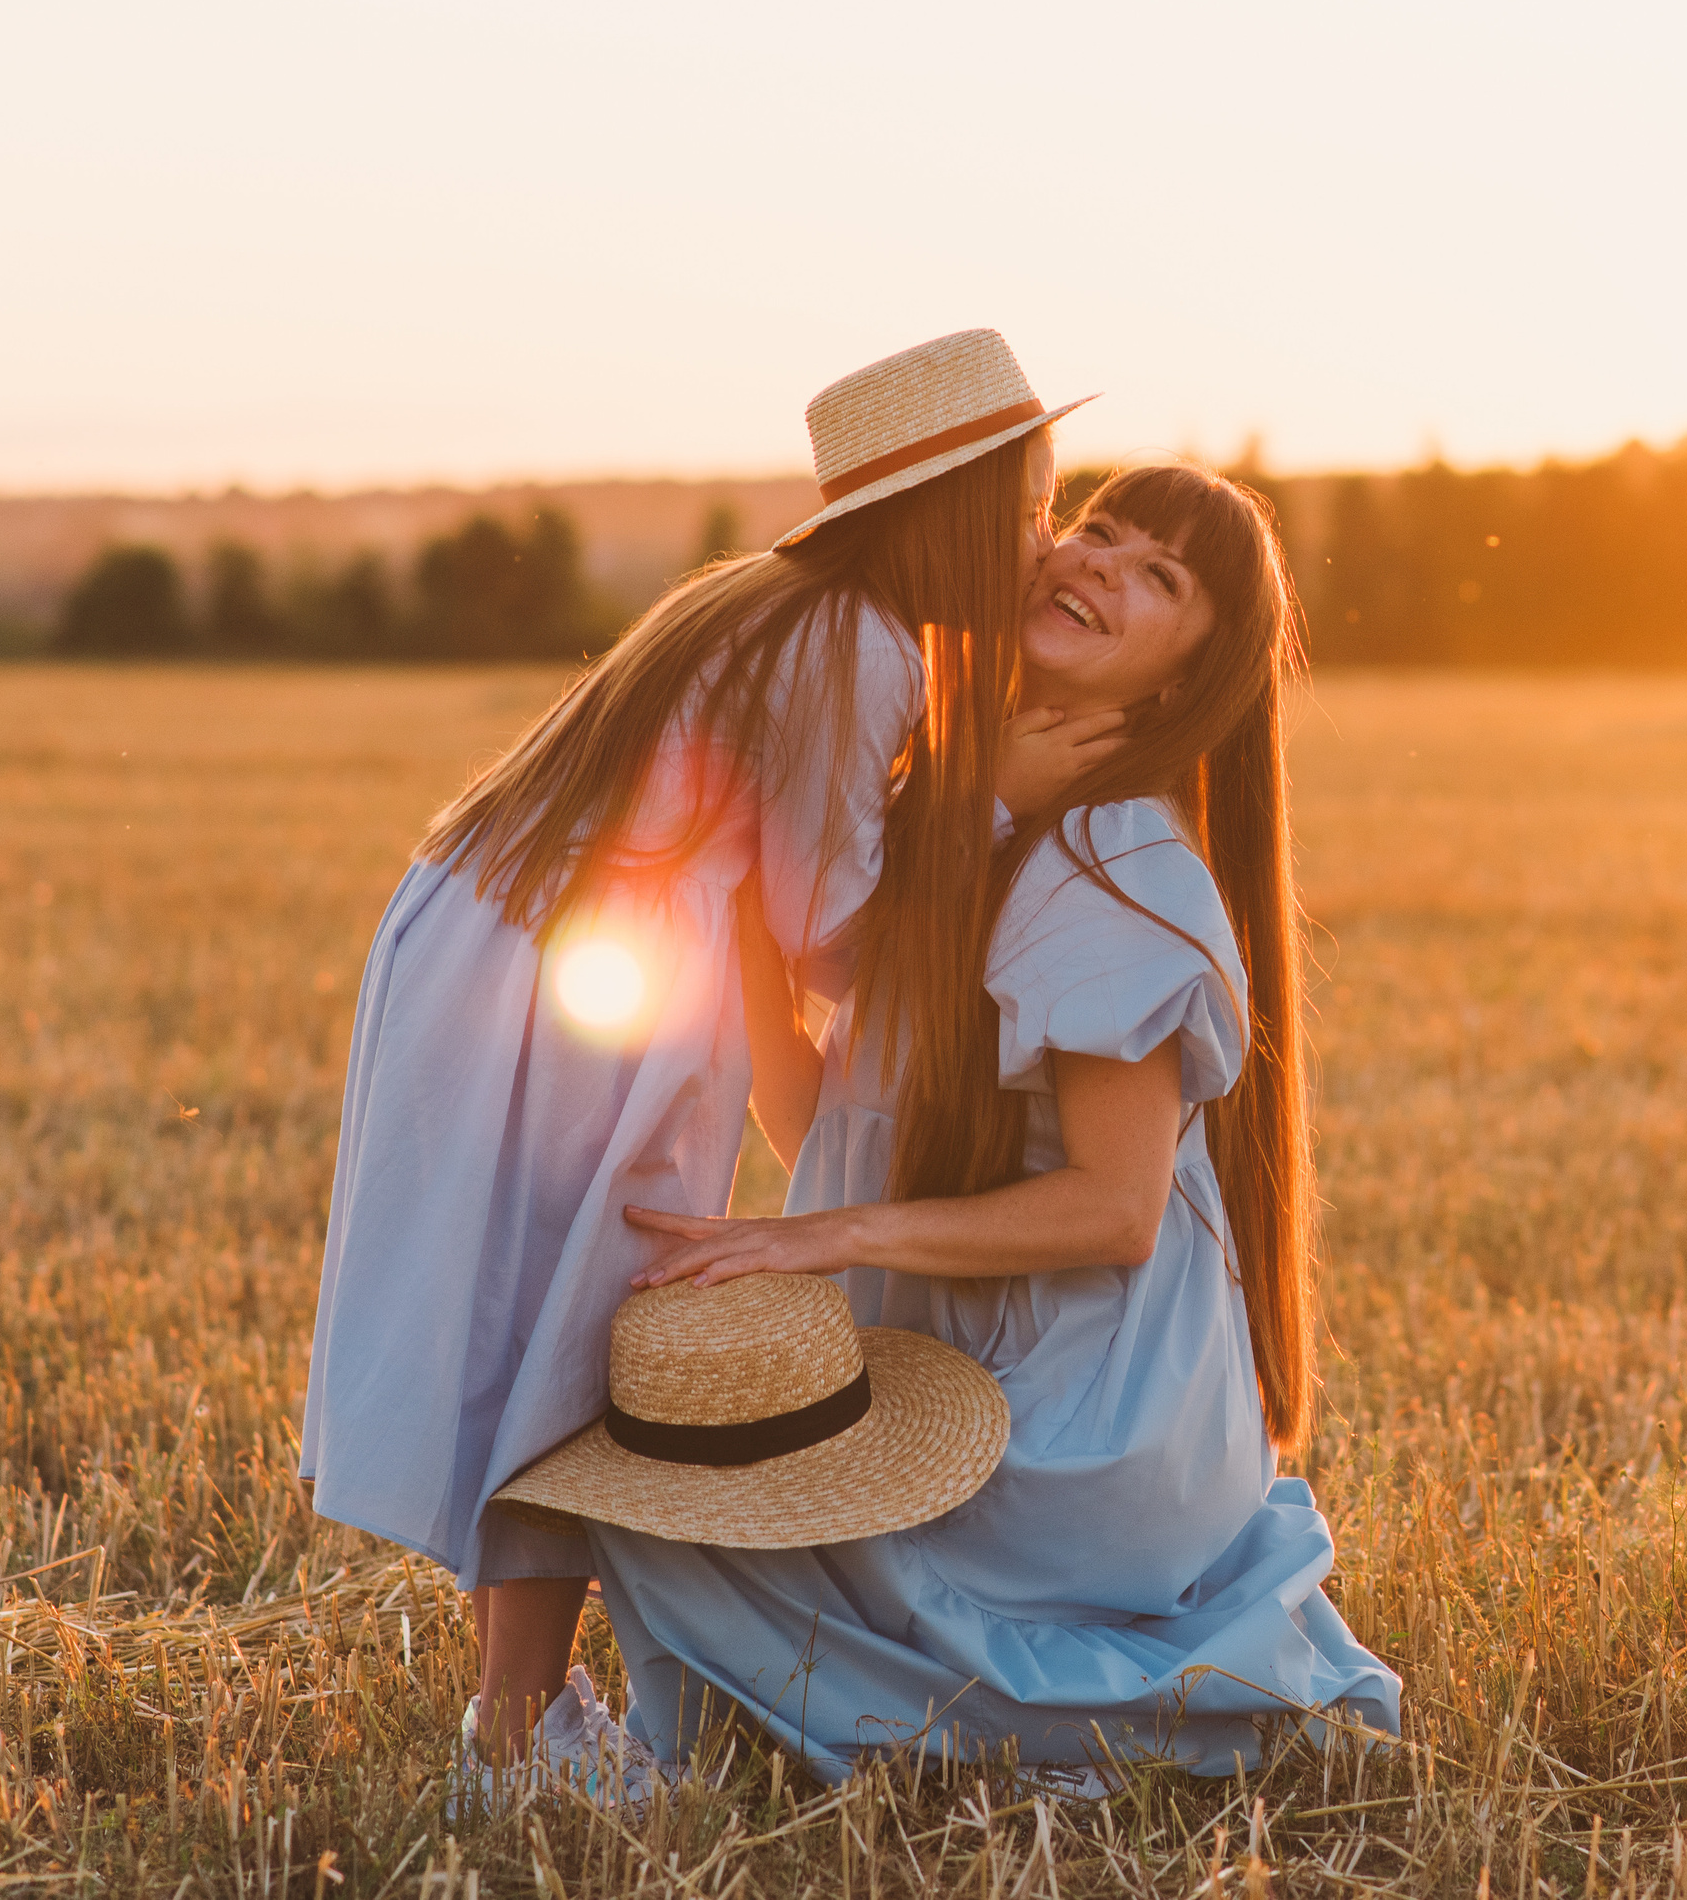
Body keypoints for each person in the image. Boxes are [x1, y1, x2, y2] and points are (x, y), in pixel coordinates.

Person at [299, 330, 1111, 1758]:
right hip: (582, 994)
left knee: (523, 1323)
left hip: (479, 933)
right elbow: (830, 927)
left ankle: (523, 1718)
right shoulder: (858, 650)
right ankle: (517, 1734)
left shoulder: (771, 602)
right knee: (574, 1344)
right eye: (1038, 503)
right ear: (965, 510)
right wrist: (1003, 823)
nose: (1049, 538)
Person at [598, 463, 1402, 1781]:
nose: (1098, 563)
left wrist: (819, 1242)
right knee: (650, 1489)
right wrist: (744, 889)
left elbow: (1113, 1206)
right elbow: (833, 1121)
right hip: (979, 1381)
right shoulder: (973, 832)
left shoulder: (1111, 859)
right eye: (1095, 530)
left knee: (664, 1523)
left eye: (1161, 576)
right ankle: (884, 1706)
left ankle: (1041, 1715)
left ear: (1182, 680)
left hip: (1072, 1425)